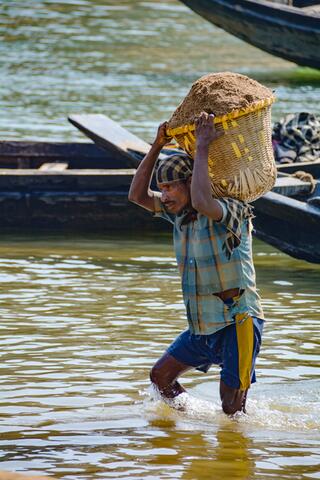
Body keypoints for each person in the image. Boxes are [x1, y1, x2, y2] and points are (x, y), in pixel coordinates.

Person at [128, 112, 264, 415]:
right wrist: (156, 146)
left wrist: (203, 145)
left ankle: (234, 444)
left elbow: (204, 201)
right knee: (160, 377)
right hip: (201, 326)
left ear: (190, 182)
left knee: (231, 408)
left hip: (237, 322)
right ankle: (196, 418)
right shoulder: (178, 214)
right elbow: (136, 195)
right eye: (161, 189)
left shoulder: (233, 209)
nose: (163, 196)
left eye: (170, 188)